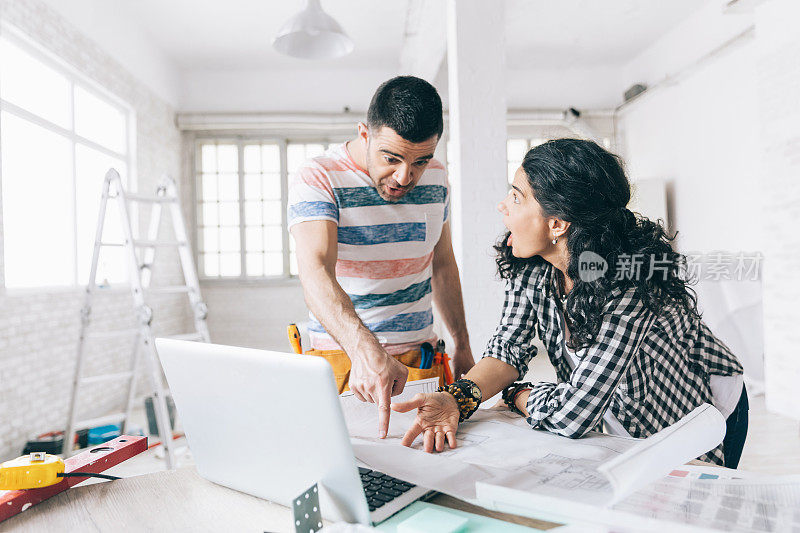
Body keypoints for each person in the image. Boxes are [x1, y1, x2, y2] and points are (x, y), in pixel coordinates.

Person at [393, 138, 748, 467]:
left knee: (691, 504)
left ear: (557, 224)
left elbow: (575, 414)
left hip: (698, 407)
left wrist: (519, 393)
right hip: (620, 404)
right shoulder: (534, 268)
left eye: (516, 197)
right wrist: (455, 399)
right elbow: (506, 350)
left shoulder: (628, 286)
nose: (502, 206)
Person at [288, 76, 474, 439]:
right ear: (364, 134)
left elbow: (443, 263)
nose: (405, 176)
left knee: (424, 468)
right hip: (343, 359)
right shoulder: (319, 176)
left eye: (420, 160)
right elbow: (315, 273)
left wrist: (462, 344)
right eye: (391, 158)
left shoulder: (436, 178)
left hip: (421, 360)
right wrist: (363, 349)